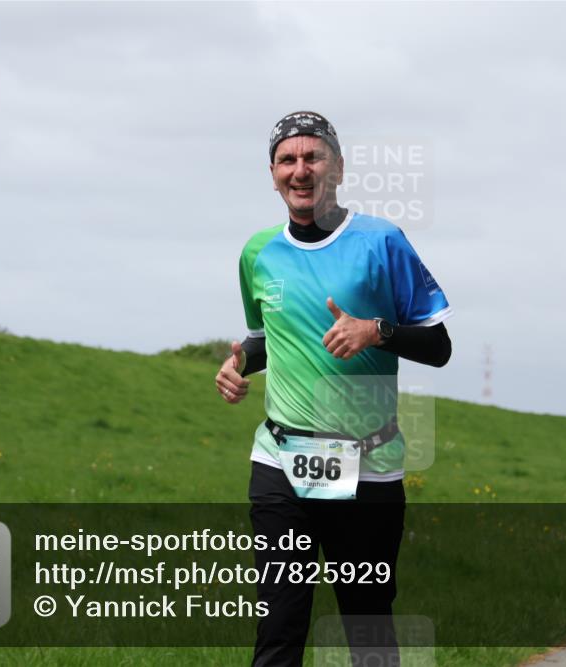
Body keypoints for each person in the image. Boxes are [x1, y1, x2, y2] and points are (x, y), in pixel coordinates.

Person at [215, 111, 453, 666]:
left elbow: (439, 346)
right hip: (280, 461)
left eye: (313, 156)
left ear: (338, 168)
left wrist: (377, 330)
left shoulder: (383, 242)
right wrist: (239, 365)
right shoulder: (258, 253)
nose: (301, 170)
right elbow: (268, 337)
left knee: (367, 627)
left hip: (366, 466)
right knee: (278, 626)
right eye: (288, 159)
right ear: (272, 173)